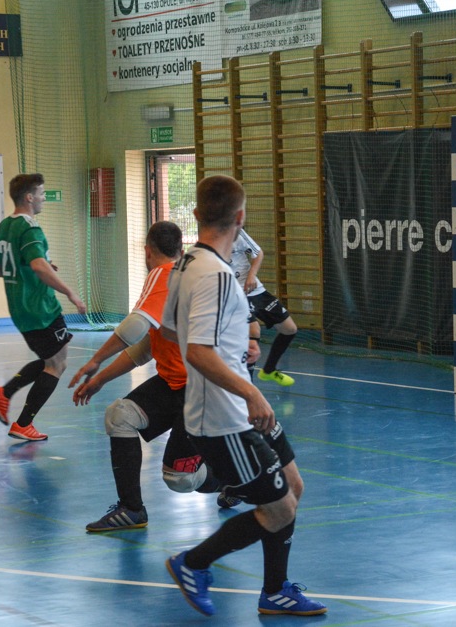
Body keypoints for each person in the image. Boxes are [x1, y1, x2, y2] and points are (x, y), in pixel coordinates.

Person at [161, 175, 325, 618]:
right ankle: (193, 562)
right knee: (279, 509)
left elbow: (173, 331)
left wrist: (235, 346)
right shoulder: (215, 275)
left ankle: (275, 592)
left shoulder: (185, 264)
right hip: (225, 416)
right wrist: (250, 390)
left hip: (237, 406)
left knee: (292, 487)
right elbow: (197, 351)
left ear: (197, 214)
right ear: (241, 217)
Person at [68, 221, 217, 531]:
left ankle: (238, 479)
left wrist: (95, 360)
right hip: (176, 385)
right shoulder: (181, 276)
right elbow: (146, 347)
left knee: (181, 479)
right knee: (120, 415)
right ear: (180, 249)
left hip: (203, 390)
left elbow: (135, 326)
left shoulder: (163, 274)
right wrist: (101, 379)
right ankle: (132, 509)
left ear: (148, 251)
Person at [0, 173, 87, 441]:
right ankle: (22, 423)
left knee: (50, 359)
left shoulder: (0, 229)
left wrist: (31, 266)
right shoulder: (30, 228)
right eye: (41, 194)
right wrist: (70, 293)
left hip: (19, 308)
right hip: (40, 307)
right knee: (57, 364)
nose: (43, 198)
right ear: (29, 197)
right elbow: (39, 266)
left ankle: (4, 393)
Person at [230, 228, 298, 386]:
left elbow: (258, 253)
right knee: (254, 330)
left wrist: (252, 275)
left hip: (254, 289)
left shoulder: (237, 232)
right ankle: (248, 386)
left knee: (289, 329)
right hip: (235, 293)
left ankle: (268, 370)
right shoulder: (211, 240)